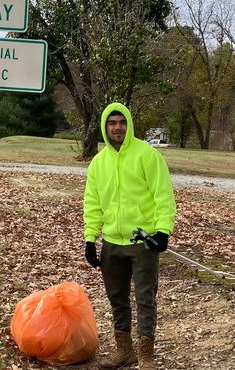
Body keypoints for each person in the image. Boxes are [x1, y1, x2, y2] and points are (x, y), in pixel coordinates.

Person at [83, 102, 176, 370]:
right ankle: (124, 350)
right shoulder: (98, 164)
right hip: (112, 242)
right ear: (105, 127)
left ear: (129, 125)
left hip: (143, 241)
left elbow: (163, 196)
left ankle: (146, 355)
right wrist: (91, 238)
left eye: (122, 122)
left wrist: (162, 231)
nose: (117, 127)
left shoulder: (147, 155)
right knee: (117, 298)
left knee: (145, 297)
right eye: (112, 123)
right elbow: (93, 203)